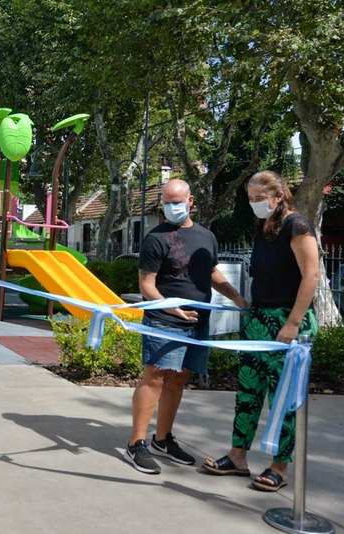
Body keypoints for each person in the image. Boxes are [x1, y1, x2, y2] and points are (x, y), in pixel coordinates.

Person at [202, 170, 319, 492]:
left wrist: (293, 322)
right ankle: (237, 456)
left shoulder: (298, 226)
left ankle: (279, 466)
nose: (254, 204)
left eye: (259, 199)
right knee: (248, 391)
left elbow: (310, 276)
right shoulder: (264, 227)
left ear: (279, 196)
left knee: (283, 397)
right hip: (259, 317)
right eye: (251, 199)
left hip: (288, 319)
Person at [124, 179, 248, 475]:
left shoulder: (206, 236)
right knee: (154, 377)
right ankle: (136, 443)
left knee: (179, 379)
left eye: (177, 201)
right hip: (164, 321)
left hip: (197, 323)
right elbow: (146, 286)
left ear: (191, 201)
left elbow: (212, 272)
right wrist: (173, 308)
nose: (172, 207)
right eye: (167, 202)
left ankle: (162, 439)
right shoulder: (155, 239)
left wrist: (237, 297)